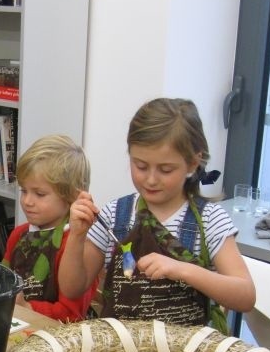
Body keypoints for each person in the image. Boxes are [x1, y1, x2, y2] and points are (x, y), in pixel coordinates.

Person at [58, 97, 255, 331]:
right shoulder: (115, 215)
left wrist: (182, 270)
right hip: (119, 351)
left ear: (193, 163)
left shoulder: (210, 221)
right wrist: (77, 236)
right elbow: (72, 288)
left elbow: (245, 296)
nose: (151, 179)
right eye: (140, 166)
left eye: (165, 169)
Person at [2, 135, 99, 321]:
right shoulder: (18, 235)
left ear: (72, 196)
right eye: (24, 191)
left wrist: (26, 307)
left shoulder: (77, 246)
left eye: (39, 194)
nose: (27, 201)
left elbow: (72, 315)